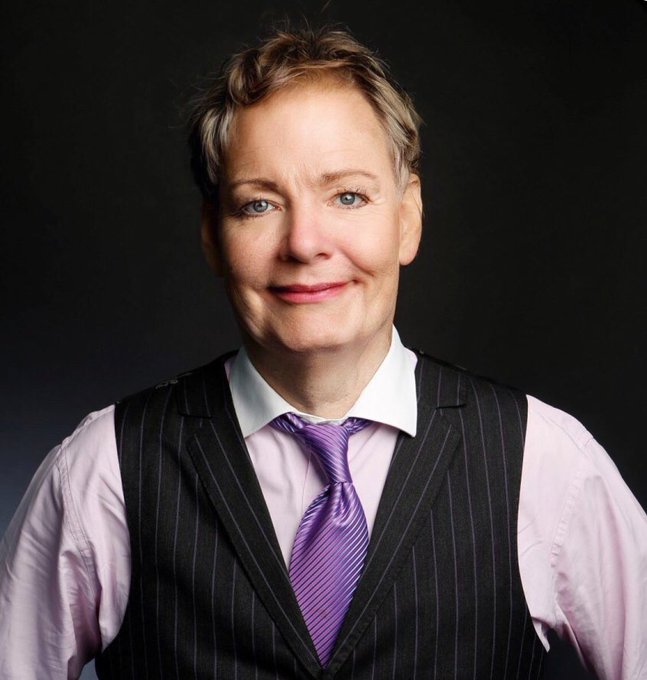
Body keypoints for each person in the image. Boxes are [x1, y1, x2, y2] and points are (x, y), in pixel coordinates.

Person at [1, 26, 646, 680]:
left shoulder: (542, 460)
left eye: (347, 196)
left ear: (408, 217)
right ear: (212, 236)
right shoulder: (105, 470)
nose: (304, 243)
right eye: (258, 204)